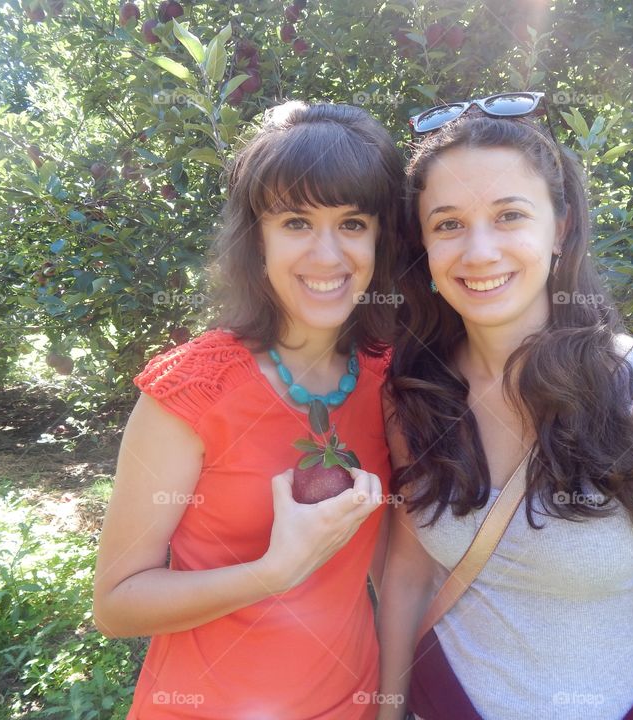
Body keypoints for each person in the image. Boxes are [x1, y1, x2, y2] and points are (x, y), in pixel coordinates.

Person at [376, 93, 633, 719]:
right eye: (448, 224)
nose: (479, 251)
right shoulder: (416, 393)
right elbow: (407, 580)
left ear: (562, 226)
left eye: (510, 215)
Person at [93, 100, 404, 719]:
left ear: (380, 237)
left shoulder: (388, 377)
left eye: (352, 223)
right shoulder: (193, 389)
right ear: (255, 239)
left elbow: (393, 566)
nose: (327, 256)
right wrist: (275, 570)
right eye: (295, 222)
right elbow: (117, 605)